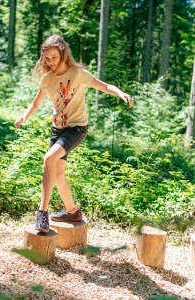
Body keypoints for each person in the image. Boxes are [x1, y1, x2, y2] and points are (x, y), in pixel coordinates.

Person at [15, 35, 134, 232]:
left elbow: (103, 86)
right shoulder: (47, 79)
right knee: (58, 174)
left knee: (48, 159)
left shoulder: (78, 74)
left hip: (77, 128)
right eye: (47, 58)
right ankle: (72, 211)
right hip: (58, 128)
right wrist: (24, 116)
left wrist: (121, 93)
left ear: (62, 55)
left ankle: (41, 213)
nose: (50, 62)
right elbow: (36, 102)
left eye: (54, 57)